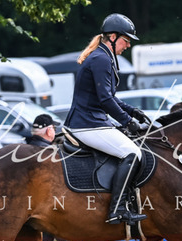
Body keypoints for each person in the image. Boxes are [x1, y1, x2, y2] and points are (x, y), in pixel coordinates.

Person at [64, 13, 148, 226]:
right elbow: (105, 100)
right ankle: (117, 209)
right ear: (112, 37)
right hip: (87, 124)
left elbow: (110, 97)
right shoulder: (101, 59)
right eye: (125, 40)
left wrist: (133, 111)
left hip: (91, 121)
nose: (128, 45)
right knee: (133, 153)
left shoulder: (102, 56)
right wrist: (127, 121)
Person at [16, 114, 74, 241]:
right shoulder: (51, 154)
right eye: (53, 129)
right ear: (49, 131)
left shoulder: (24, 151)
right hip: (55, 212)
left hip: (32, 212)